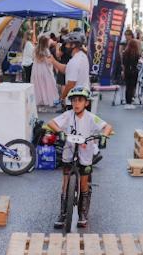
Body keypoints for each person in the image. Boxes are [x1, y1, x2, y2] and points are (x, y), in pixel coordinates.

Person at [44, 86, 113, 229]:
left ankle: (82, 213)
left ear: (86, 103)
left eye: (80, 100)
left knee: (83, 183)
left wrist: (104, 136)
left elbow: (107, 126)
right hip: (69, 151)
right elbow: (51, 123)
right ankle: (63, 214)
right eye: (74, 101)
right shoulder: (68, 115)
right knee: (65, 184)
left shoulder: (91, 117)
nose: (76, 104)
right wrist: (60, 132)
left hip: (85, 153)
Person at [59, 33, 90, 103]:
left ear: (73, 45)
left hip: (75, 100)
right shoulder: (82, 56)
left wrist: (62, 97)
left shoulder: (74, 61)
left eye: (67, 44)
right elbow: (66, 69)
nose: (66, 46)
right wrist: (53, 61)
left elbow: (71, 84)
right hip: (83, 97)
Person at [120, 31, 141, 105]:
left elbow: (123, 61)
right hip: (134, 70)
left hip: (127, 70)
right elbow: (139, 59)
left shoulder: (125, 53)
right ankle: (131, 98)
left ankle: (128, 100)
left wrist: (123, 70)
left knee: (128, 86)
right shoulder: (136, 53)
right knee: (132, 85)